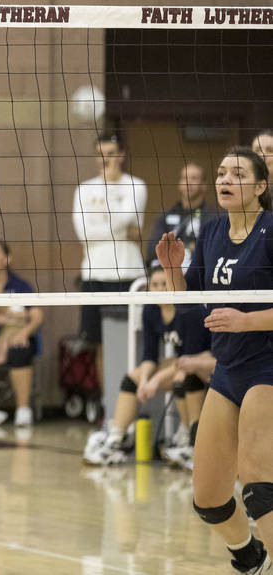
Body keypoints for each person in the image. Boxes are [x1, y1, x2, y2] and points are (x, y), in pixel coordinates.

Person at [157, 146, 273, 575]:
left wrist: (247, 321)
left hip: (268, 365)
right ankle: (250, 558)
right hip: (229, 370)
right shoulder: (210, 230)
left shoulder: (272, 230)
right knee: (208, 499)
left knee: (259, 486)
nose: (225, 180)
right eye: (221, 172)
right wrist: (173, 270)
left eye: (238, 174)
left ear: (261, 187)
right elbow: (189, 306)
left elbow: (247, 315)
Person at [83, 265, 213, 467]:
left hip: (207, 362)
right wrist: (144, 381)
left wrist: (154, 381)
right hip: (184, 362)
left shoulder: (189, 310)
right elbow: (149, 357)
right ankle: (115, 441)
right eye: (155, 285)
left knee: (183, 376)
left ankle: (192, 443)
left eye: (165, 284)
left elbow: (189, 358)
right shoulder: (151, 310)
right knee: (133, 378)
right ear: (148, 288)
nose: (160, 289)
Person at [72, 132, 147, 386]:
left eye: (111, 154)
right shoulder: (84, 189)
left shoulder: (136, 185)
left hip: (128, 273)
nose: (106, 160)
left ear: (122, 155)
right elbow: (84, 233)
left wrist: (110, 221)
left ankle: (132, 406)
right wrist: (121, 233)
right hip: (95, 274)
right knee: (100, 344)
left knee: (133, 341)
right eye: (101, 154)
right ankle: (109, 409)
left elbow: (127, 219)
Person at [0, 241, 43, 427]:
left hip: (16, 333)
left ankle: (23, 409)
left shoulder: (20, 285)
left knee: (20, 348)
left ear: (7, 259)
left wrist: (25, 332)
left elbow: (37, 316)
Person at [145, 161, 217, 268]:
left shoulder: (213, 217)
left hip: (199, 273)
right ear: (179, 184)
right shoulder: (165, 216)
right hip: (170, 273)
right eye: (185, 178)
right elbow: (152, 250)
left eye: (194, 178)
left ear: (204, 185)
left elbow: (212, 249)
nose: (189, 182)